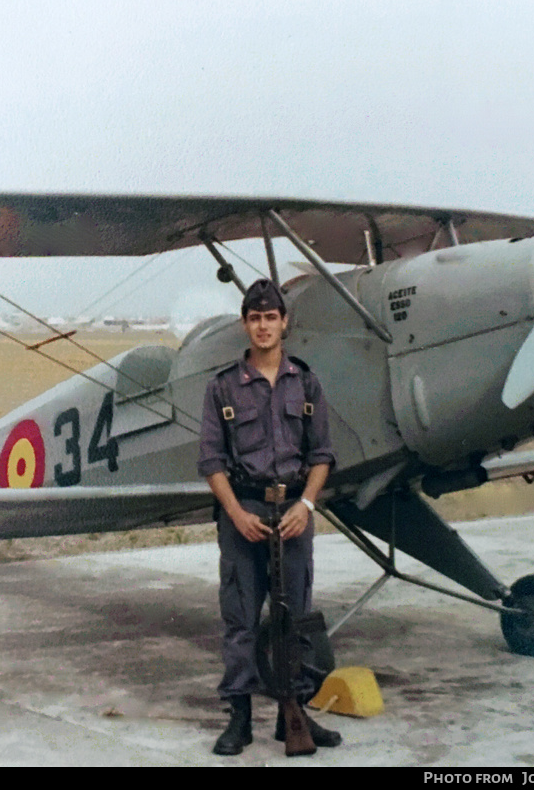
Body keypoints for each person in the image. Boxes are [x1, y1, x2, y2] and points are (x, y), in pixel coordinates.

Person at [197, 278, 342, 756]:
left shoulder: (308, 382)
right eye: (254, 318)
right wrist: (236, 513)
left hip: (294, 515)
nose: (263, 326)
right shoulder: (222, 387)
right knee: (240, 618)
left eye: (270, 318)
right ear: (245, 325)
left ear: (285, 323)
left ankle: (293, 714)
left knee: (295, 619)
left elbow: (322, 455)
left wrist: (307, 505)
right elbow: (211, 462)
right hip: (245, 514)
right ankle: (239, 718)